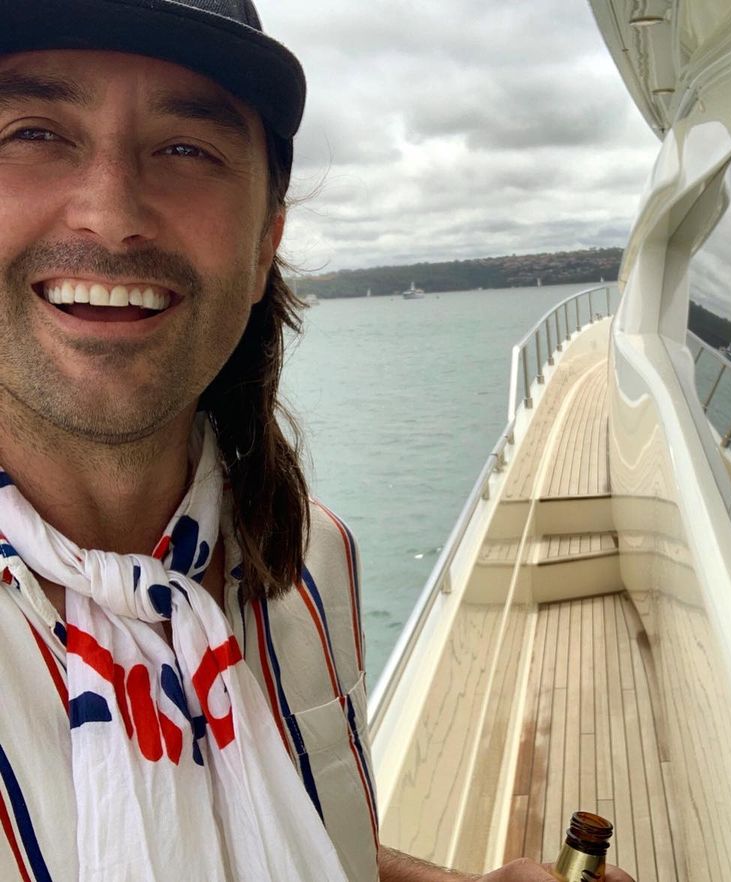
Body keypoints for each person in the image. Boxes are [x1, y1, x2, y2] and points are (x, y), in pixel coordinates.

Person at [0, 1, 634, 880]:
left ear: (266, 242)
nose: (110, 215)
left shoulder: (309, 560)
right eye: (32, 133)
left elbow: (278, 829)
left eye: (186, 149)